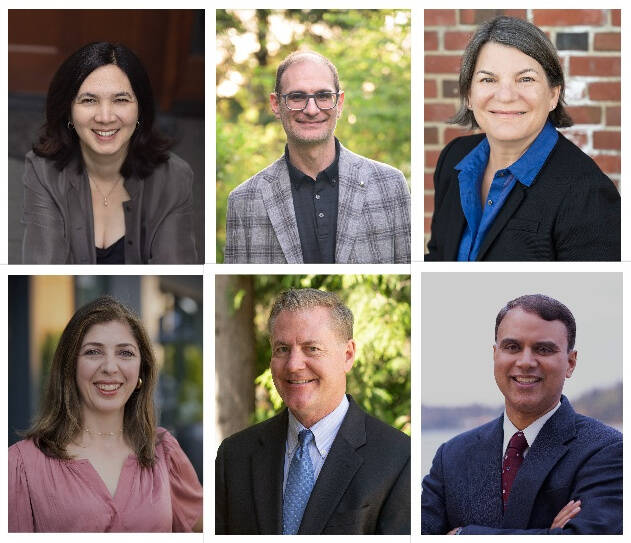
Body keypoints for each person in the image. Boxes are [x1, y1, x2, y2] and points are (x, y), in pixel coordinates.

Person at [421, 294, 622, 534]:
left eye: (543, 349)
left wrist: (464, 535)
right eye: (512, 347)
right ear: (495, 354)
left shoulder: (607, 450)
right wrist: (549, 534)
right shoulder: (451, 457)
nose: (526, 362)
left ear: (570, 362)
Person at [216, 288, 410, 534]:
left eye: (312, 349)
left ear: (348, 355)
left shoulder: (398, 458)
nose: (294, 365)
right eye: (282, 349)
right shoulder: (234, 456)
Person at [425, 16, 620, 261]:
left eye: (525, 79)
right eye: (488, 79)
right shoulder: (454, 158)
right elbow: (438, 255)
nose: (506, 96)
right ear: (468, 96)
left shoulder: (587, 193)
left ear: (553, 94)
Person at [8, 296, 203, 532]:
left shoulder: (164, 451)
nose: (110, 367)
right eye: (93, 352)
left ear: (142, 369)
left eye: (125, 353)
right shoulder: (19, 465)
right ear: (69, 366)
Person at [224, 51, 410, 264]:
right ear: (276, 104)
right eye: (297, 97)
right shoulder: (243, 201)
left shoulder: (390, 186)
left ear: (339, 103)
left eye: (323, 96)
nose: (311, 110)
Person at [22, 42, 198, 264]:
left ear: (140, 109)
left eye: (121, 100)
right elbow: (43, 264)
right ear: (68, 110)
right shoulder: (43, 171)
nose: (105, 117)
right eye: (89, 100)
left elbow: (175, 264)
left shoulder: (174, 176)